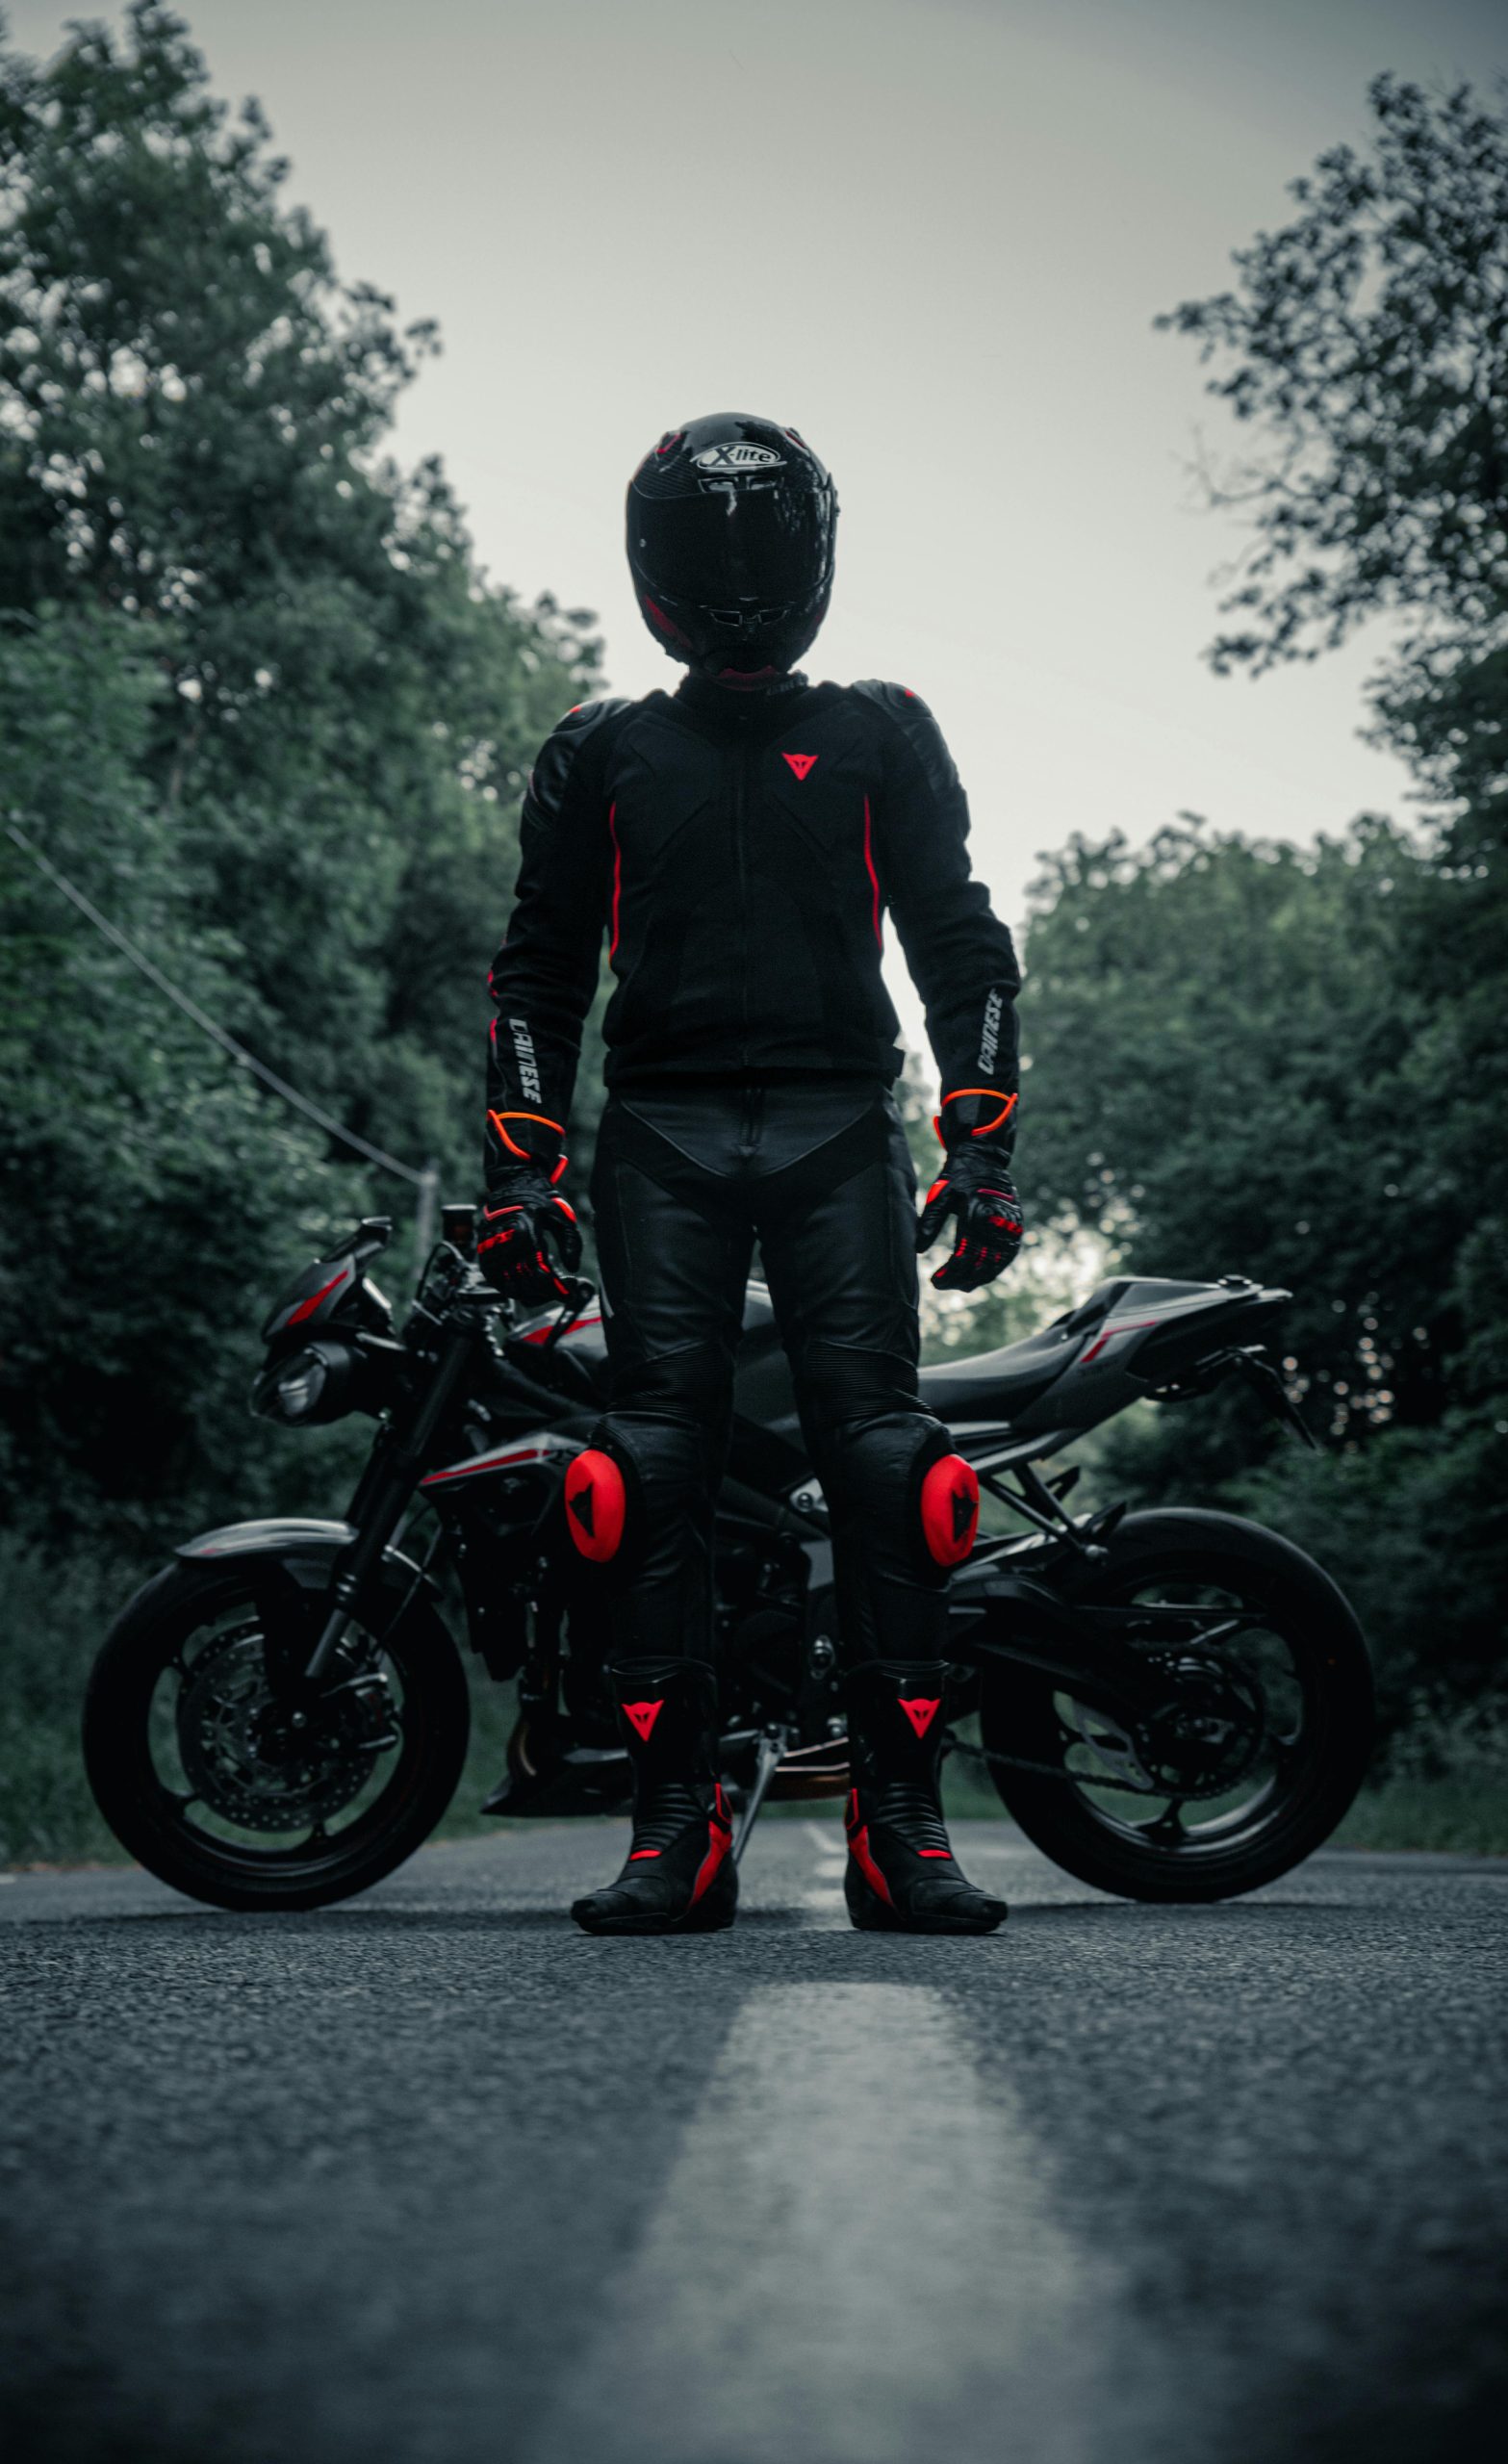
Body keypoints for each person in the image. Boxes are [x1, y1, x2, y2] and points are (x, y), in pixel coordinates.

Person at [478, 413, 1023, 1937]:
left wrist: (980, 1138)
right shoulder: (601, 751)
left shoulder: (878, 733)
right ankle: (676, 1825)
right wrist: (522, 1178)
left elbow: (959, 941)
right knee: (636, 1476)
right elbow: (536, 977)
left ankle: (898, 1827)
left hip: (833, 1121)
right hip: (662, 1133)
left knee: (891, 1469)